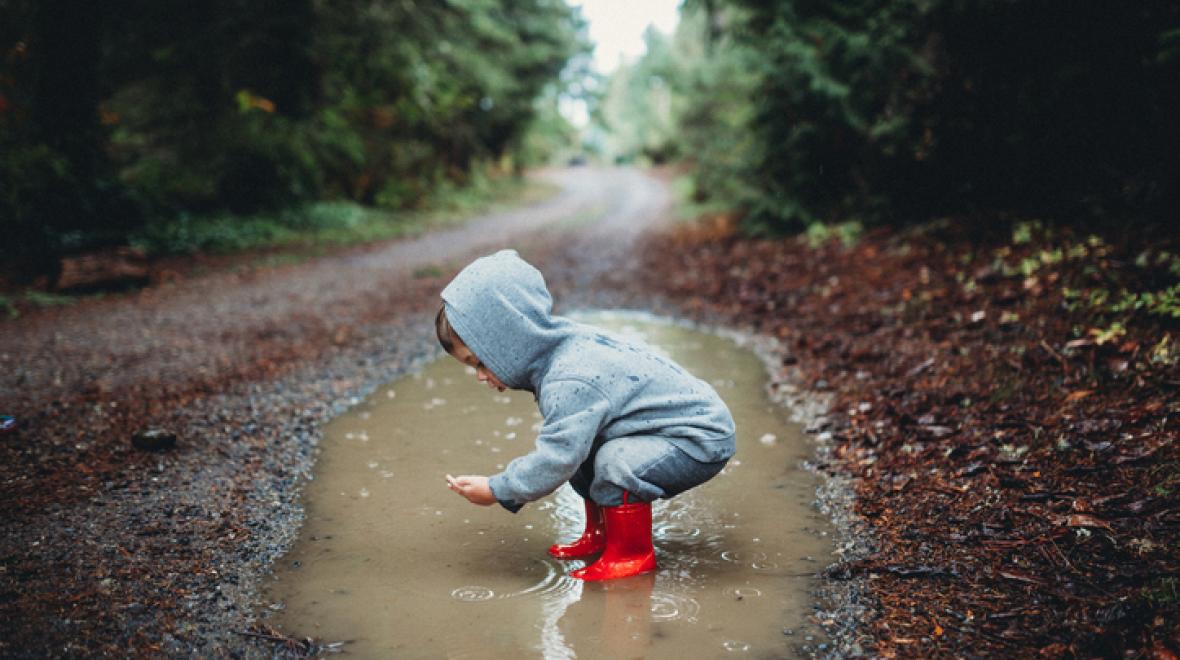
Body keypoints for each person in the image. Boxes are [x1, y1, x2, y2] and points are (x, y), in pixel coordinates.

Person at [439, 250, 736, 581]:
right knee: (587, 447)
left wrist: (497, 489)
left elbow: (556, 459)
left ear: (509, 341)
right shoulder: (555, 351)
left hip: (699, 436)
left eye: (479, 362)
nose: (480, 376)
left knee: (613, 460)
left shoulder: (568, 377)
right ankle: (601, 535)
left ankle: (631, 554)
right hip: (664, 430)